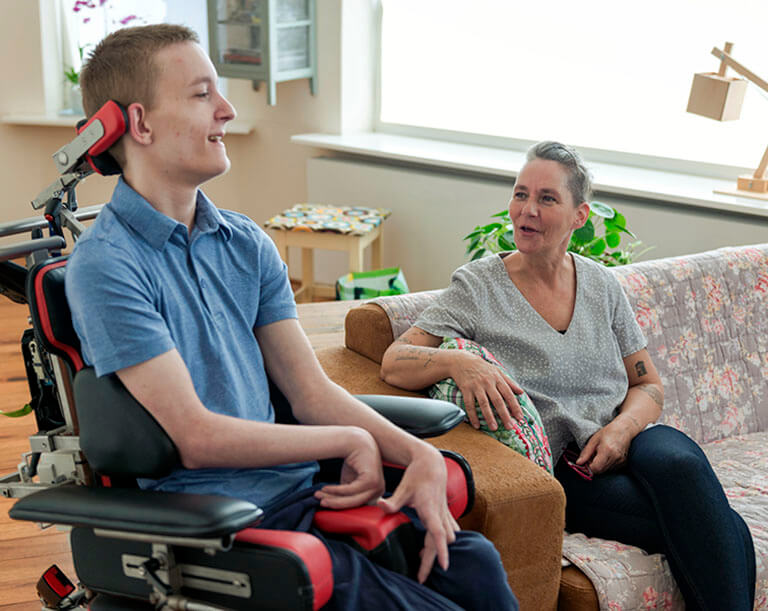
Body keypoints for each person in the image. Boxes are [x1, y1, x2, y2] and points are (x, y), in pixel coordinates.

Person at [64, 24, 518, 611]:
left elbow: (309, 393)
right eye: (203, 94)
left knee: (474, 566)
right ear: (141, 124)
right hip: (221, 519)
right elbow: (195, 437)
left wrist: (421, 454)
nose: (226, 110)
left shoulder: (245, 243)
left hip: (307, 493)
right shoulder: (107, 265)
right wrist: (351, 439)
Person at [381, 141, 756, 610]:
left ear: (579, 216)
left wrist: (622, 430)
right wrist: (460, 361)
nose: (527, 210)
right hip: (571, 468)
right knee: (720, 525)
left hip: (631, 435)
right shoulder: (478, 286)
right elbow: (395, 361)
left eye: (546, 198)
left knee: (682, 468)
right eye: (520, 194)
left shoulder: (601, 284)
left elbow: (648, 385)